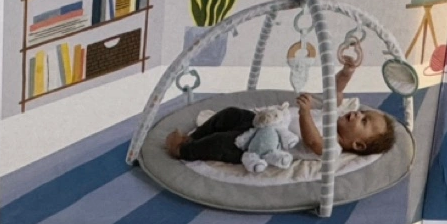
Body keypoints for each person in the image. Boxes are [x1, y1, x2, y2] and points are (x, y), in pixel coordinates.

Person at [163, 57, 396, 163]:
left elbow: (313, 142)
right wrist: (347, 72)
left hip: (263, 143)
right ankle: (193, 136)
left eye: (364, 121)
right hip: (261, 122)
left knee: (223, 142)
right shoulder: (333, 116)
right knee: (230, 114)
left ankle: (185, 151)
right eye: (363, 113)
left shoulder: (333, 148)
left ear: (358, 144)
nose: (358, 113)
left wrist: (305, 113)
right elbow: (336, 90)